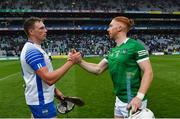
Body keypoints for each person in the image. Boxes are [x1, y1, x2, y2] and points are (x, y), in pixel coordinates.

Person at [76, 16, 153, 118]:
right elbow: (98, 69)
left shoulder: (135, 46)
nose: (108, 29)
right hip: (119, 99)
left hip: (133, 100)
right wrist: (79, 61)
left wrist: (139, 97)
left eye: (111, 26)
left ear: (119, 28)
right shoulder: (113, 50)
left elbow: (148, 72)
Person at [20, 17, 81, 118]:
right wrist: (72, 61)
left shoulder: (35, 48)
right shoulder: (32, 51)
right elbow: (49, 78)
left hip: (40, 100)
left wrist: (56, 92)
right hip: (41, 101)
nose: (46, 30)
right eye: (41, 28)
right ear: (31, 31)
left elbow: (40, 77)